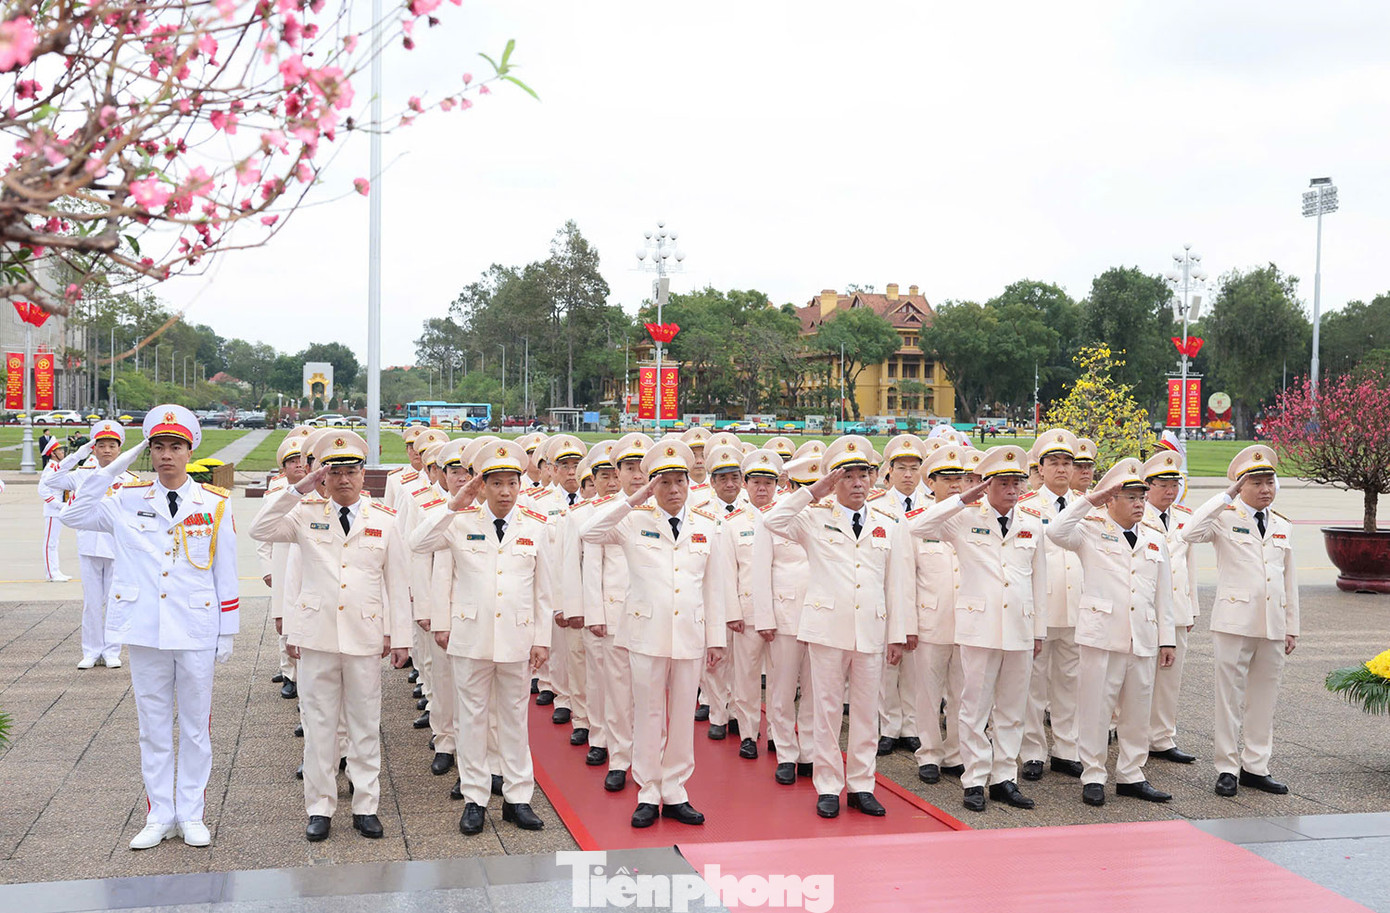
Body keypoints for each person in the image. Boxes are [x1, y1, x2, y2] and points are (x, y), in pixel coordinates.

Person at [61, 406, 238, 849]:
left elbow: (226, 571)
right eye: (157, 446)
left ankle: (192, 814)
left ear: (189, 449)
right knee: (152, 727)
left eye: (175, 446)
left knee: (196, 727)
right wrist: (114, 467)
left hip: (197, 627)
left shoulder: (214, 503)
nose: (165, 455)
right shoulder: (125, 499)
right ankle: (159, 813)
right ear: (148, 451)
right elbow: (73, 514)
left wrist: (227, 632)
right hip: (145, 628)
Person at [249, 430, 412, 843]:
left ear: (363, 475)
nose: (344, 480)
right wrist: (296, 488)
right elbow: (260, 527)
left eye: (351, 471)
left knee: (364, 723)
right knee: (319, 726)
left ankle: (366, 805)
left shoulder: (385, 521)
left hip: (365, 634)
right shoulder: (304, 512)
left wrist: (402, 637)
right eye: (334, 472)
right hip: (318, 635)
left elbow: (398, 582)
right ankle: (320, 807)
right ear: (323, 476)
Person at [579, 439, 733, 828]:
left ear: (689, 483)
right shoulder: (631, 521)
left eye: (680, 480)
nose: (674, 489)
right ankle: (648, 790)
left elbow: (714, 587)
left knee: (682, 715)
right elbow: (589, 532)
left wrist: (716, 638)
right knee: (648, 714)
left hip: (689, 635)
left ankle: (675, 790)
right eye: (664, 482)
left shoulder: (706, 526)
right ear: (652, 485)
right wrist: (634, 500)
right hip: (646, 633)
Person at [762, 435, 912, 820]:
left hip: (871, 630)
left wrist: (897, 633)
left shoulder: (888, 524)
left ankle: (862, 785)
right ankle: (828, 785)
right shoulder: (813, 519)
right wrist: (814, 491)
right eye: (848, 476)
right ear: (834, 480)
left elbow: (897, 584)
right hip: (827, 628)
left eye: (864, 474)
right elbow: (771, 519)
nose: (858, 482)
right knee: (827, 710)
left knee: (865, 712)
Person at [410, 439, 554, 835]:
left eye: (512, 483)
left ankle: (517, 798)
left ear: (520, 485)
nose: (505, 492)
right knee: (471, 721)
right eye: (497, 483)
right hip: (471, 636)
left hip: (518, 638)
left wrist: (543, 639)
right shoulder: (459, 522)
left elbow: (544, 590)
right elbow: (418, 543)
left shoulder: (537, 526)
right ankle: (475, 798)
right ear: (482, 486)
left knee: (513, 720)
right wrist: (456, 502)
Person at [908, 445, 1046, 813]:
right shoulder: (965, 518)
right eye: (1003, 482)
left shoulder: (1031, 523)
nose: (1012, 489)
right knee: (973, 708)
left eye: (1017, 482)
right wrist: (961, 499)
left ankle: (1004, 778)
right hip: (979, 627)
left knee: (1013, 709)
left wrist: (1039, 631)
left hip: (1019, 627)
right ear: (987, 485)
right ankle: (974, 779)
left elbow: (1038, 580)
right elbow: (917, 526)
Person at [1047, 458, 1177, 806]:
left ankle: (1132, 773)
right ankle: (1093, 774)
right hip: (1102, 635)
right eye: (1130, 497)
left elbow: (1163, 594)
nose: (1139, 504)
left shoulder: (1154, 539)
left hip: (1142, 636)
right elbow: (1055, 531)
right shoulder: (1090, 530)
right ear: (1111, 500)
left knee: (1137, 710)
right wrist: (1090, 499)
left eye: (1141, 497)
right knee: (1095, 709)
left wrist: (1168, 638)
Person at [1182, 445, 1299, 798]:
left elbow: (1288, 577)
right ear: (1240, 486)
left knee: (1264, 697)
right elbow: (1188, 532)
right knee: (1229, 698)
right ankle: (1227, 767)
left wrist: (1291, 624)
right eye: (1256, 482)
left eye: (1270, 481)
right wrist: (1225, 496)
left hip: (1273, 623)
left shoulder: (1281, 524)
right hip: (1234, 621)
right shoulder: (1225, 516)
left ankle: (1256, 766)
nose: (1265, 489)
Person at [579, 432, 652, 792]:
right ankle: (619, 757)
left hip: (652, 617)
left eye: (642, 467)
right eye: (629, 468)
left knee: (649, 694)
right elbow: (592, 565)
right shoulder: (604, 511)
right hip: (613, 613)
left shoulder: (662, 509)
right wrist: (594, 612)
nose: (637, 475)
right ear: (617, 473)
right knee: (616, 690)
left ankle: (647, 760)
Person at [1018, 429, 1084, 782]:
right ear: (1040, 468)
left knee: (1070, 684)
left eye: (1067, 463)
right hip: (1040, 609)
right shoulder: (1026, 507)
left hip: (1076, 607)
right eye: (1054, 462)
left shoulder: (1087, 506)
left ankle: (1066, 749)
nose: (1061, 468)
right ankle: (1032, 752)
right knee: (1034, 686)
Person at [49, 420, 140, 668]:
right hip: (89, 545)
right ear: (94, 448)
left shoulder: (131, 479)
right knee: (91, 602)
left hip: (117, 548)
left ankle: (112, 650)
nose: (107, 450)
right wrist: (79, 453)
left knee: (116, 600)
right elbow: (51, 480)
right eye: (101, 445)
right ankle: (90, 651)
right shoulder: (82, 475)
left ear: (120, 449)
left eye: (112, 445)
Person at [753, 454, 819, 785]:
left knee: (814, 690)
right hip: (785, 616)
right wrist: (764, 616)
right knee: (781, 690)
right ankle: (786, 753)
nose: (810, 493)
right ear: (790, 487)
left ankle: (808, 751)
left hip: (821, 617)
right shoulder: (772, 518)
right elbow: (760, 570)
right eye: (802, 487)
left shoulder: (828, 518)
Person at [905, 445, 969, 785]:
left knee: (963, 693)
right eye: (947, 478)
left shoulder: (974, 518)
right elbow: (906, 579)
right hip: (930, 622)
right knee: (928, 694)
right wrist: (907, 625)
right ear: (931, 483)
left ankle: (955, 753)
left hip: (969, 623)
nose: (956, 484)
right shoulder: (918, 520)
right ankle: (928, 753)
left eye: (959, 477)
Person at [719, 447, 782, 759]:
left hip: (782, 612)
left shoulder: (789, 519)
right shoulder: (732, 523)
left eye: (768, 482)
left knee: (781, 679)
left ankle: (776, 735)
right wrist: (731, 613)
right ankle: (747, 732)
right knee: (745, 677)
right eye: (756, 482)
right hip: (748, 613)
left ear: (778, 484)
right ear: (745, 483)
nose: (762, 488)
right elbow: (727, 573)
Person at [1142, 450, 1200, 764]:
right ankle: (1127, 732)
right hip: (1144, 611)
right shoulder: (1137, 515)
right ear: (1147, 486)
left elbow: (1189, 566)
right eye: (1162, 484)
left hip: (1176, 609)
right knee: (1137, 676)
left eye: (1174, 484)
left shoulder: (1185, 518)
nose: (1169, 490)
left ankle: (1162, 737)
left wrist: (1191, 608)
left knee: (1169, 678)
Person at [693, 437, 748, 740]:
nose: (730, 483)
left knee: (743, 664)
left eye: (735, 477)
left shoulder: (754, 510)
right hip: (710, 596)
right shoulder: (700, 511)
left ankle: (739, 712)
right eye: (723, 478)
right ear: (712, 481)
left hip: (743, 597)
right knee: (714, 659)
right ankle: (717, 712)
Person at [876, 434, 928, 756]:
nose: (908, 475)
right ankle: (888, 726)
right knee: (887, 666)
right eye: (902, 468)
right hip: (886, 593)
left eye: (914, 468)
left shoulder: (932, 506)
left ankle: (911, 726)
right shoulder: (876, 507)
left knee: (915, 668)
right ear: (890, 472)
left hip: (922, 595)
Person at [257, 428, 314, 698]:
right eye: (292, 462)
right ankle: (289, 673)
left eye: (302, 461)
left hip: (309, 565)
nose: (298, 466)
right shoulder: (275, 495)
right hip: (281, 562)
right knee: (284, 619)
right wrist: (267, 569)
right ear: (284, 466)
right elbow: (261, 538)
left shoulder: (317, 496)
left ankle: (305, 674)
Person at [37, 437, 72, 581]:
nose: (63, 453)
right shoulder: (50, 469)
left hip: (58, 508)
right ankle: (51, 573)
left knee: (54, 542)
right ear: (53, 453)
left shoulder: (57, 467)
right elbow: (42, 490)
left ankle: (56, 571)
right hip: (53, 510)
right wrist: (58, 505)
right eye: (60, 451)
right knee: (50, 543)